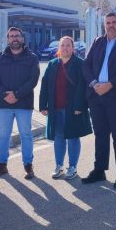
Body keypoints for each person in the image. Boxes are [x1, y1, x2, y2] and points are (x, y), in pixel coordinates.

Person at [82, 12, 116, 188]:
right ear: (104, 25)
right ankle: (99, 170)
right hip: (96, 96)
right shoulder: (98, 41)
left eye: (114, 22)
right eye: (108, 22)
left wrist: (110, 84)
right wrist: (94, 83)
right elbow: (86, 65)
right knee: (100, 135)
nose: (111, 25)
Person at [0, 27, 40, 180]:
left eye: (17, 36)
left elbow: (33, 79)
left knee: (26, 135)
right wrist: (5, 94)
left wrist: (17, 94)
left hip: (23, 103)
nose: (14, 38)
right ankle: (2, 166)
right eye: (11, 36)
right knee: (3, 135)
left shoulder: (32, 58)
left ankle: (28, 166)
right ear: (7, 39)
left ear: (22, 38)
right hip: (4, 104)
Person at [39, 36, 93, 180]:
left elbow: (83, 86)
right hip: (55, 108)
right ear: (59, 48)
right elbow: (45, 86)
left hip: (73, 108)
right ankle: (59, 166)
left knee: (73, 137)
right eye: (63, 45)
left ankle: (73, 167)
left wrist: (80, 105)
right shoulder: (52, 64)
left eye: (68, 45)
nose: (65, 48)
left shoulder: (80, 64)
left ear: (73, 48)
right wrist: (43, 105)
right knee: (58, 137)